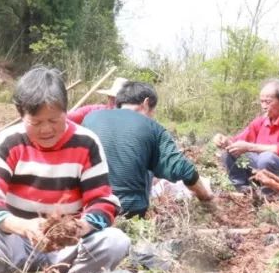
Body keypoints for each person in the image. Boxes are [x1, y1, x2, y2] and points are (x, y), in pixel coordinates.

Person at [0, 66, 130, 273]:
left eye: (54, 120)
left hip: (67, 247)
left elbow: (102, 202)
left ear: (66, 112)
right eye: (36, 122)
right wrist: (22, 226)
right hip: (16, 240)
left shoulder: (87, 143)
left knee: (115, 241)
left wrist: (79, 228)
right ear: (21, 114)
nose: (46, 130)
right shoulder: (9, 142)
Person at [83, 81, 214, 218]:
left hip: (89, 207)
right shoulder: (152, 127)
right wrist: (206, 197)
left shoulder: (90, 118)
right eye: (153, 111)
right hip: (128, 210)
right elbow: (184, 170)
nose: (153, 116)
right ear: (146, 103)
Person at [213, 79, 279, 192]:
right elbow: (238, 141)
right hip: (261, 167)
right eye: (261, 102)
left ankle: (270, 194)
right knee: (231, 151)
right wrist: (224, 140)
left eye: (268, 102)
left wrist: (250, 147)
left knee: (266, 157)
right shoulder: (260, 122)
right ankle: (242, 188)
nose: (263, 106)